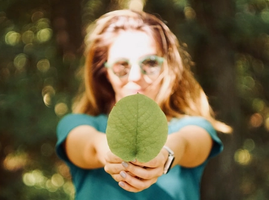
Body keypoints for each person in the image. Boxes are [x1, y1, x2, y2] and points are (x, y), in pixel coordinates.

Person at [56, 9, 231, 200]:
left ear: (167, 67)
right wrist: (112, 154)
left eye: (150, 63)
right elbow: (90, 145)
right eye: (121, 65)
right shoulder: (76, 124)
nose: (136, 76)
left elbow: (187, 144)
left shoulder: (193, 126)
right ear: (105, 72)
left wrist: (164, 155)